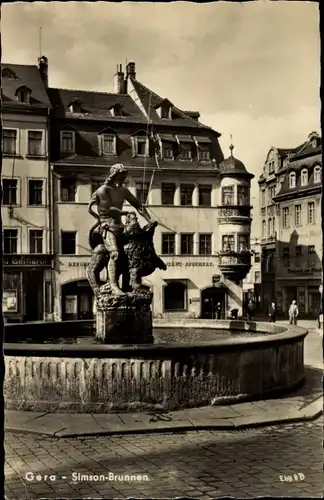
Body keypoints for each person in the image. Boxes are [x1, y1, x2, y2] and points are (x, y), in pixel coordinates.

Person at [88, 164, 155, 296]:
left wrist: (149, 220)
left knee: (129, 253)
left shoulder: (123, 191)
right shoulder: (103, 190)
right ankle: (113, 286)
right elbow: (108, 209)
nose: (124, 178)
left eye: (125, 176)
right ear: (114, 175)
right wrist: (124, 212)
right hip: (107, 226)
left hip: (120, 227)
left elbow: (138, 205)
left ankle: (129, 284)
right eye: (122, 176)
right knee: (115, 253)